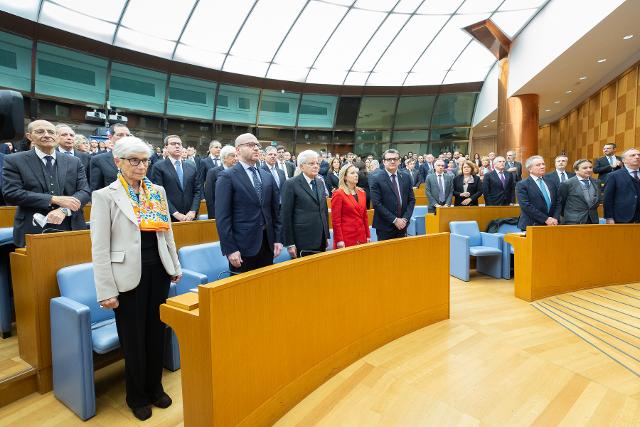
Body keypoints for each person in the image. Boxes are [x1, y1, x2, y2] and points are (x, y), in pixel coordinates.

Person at [91, 136, 180, 421]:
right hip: (126, 276)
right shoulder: (105, 195)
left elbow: (167, 232)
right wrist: (105, 290)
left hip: (158, 271)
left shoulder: (158, 191)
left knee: (156, 333)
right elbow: (100, 247)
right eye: (134, 160)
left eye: (145, 161)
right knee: (133, 339)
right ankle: (137, 395)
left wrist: (174, 264)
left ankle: (155, 387)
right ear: (118, 162)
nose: (141, 166)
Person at [2, 120, 90, 248]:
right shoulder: (15, 160)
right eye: (40, 131)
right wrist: (53, 199)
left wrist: (64, 210)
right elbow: (11, 193)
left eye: (51, 132)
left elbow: (85, 191)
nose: (47, 135)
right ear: (29, 136)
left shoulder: (74, 161)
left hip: (72, 226)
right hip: (32, 228)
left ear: (56, 136)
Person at [215, 133, 283, 273]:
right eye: (251, 145)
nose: (257, 148)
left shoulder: (267, 176)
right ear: (238, 150)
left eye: (257, 145)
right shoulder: (227, 176)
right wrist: (230, 249)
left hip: (267, 244)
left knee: (265, 290)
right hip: (242, 247)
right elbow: (223, 218)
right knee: (242, 293)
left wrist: (278, 238)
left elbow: (275, 212)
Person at [280, 150, 330, 258]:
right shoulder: (291, 184)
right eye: (311, 164)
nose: (316, 166)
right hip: (302, 239)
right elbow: (285, 215)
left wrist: (326, 235)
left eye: (317, 163)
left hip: (320, 238)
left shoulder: (320, 182)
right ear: (302, 167)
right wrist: (289, 243)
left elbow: (324, 210)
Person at [150, 135, 201, 222]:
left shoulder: (191, 167)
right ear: (166, 147)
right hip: (169, 217)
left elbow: (197, 191)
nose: (177, 146)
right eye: (173, 144)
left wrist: (193, 211)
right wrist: (175, 213)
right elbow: (158, 194)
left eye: (179, 144)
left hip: (190, 217)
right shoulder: (158, 167)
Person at [370, 149, 415, 241]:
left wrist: (405, 219)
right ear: (384, 162)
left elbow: (411, 200)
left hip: (403, 225)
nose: (392, 161)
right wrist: (395, 220)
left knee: (401, 253)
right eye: (389, 159)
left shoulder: (406, 177)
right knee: (385, 254)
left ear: (399, 161)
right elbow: (377, 203)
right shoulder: (376, 178)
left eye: (395, 159)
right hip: (385, 226)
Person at [330, 164, 370, 249]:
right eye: (352, 173)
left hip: (361, 236)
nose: (356, 175)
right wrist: (339, 240)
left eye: (356, 172)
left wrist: (368, 235)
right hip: (346, 238)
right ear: (344, 177)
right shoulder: (338, 194)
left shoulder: (362, 192)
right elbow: (336, 220)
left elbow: (365, 217)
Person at [516, 155, 560, 230]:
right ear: (530, 169)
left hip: (552, 224)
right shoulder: (522, 185)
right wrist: (546, 219)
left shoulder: (551, 182)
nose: (542, 166)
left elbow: (558, 201)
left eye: (543, 164)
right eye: (538, 165)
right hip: (531, 225)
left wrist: (555, 218)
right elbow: (526, 206)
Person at [557, 159, 601, 224]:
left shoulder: (597, 182)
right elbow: (561, 203)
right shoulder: (567, 184)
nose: (589, 170)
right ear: (576, 170)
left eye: (590, 167)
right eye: (585, 168)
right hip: (573, 221)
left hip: (593, 220)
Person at [90, 123, 132, 191]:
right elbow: (96, 190)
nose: (125, 138)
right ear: (110, 137)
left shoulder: (138, 159)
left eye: (128, 135)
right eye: (120, 135)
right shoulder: (98, 160)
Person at [603, 148, 640, 224]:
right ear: (624, 160)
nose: (637, 157)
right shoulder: (613, 176)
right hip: (622, 218)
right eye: (633, 155)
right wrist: (609, 217)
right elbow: (608, 198)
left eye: (639, 155)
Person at [204, 145, 237, 219]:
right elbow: (209, 197)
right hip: (220, 213)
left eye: (236, 156)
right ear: (224, 158)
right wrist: (213, 217)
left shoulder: (238, 172)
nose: (236, 158)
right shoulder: (213, 172)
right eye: (233, 156)